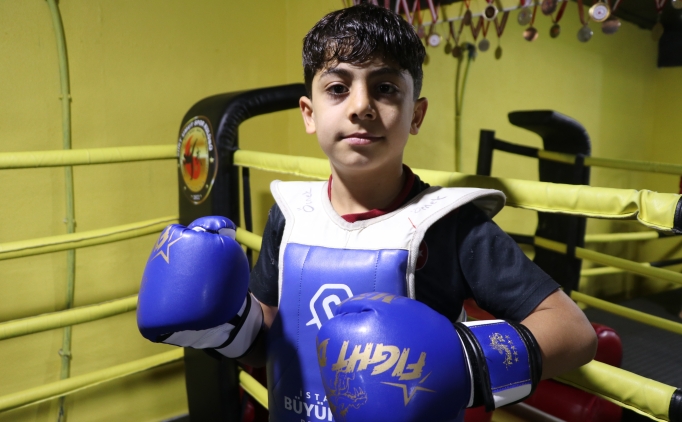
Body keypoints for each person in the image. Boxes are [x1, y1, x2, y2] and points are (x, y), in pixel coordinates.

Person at [137, 4, 597, 422]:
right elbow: (269, 340)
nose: (361, 107)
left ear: (416, 115)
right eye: (337, 88)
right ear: (309, 113)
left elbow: (574, 332)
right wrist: (224, 322)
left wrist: (464, 366)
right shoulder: (291, 215)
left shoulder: (450, 223)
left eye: (385, 88)